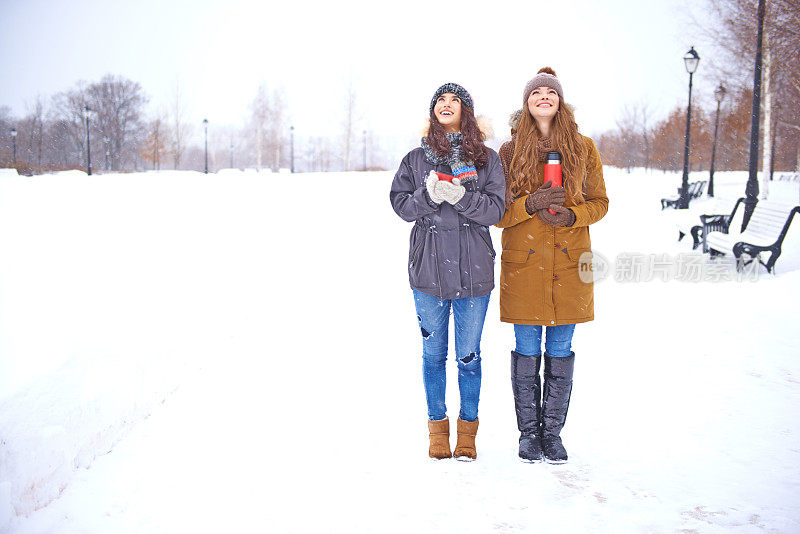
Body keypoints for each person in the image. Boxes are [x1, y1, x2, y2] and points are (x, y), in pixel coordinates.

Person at [497, 67, 608, 464]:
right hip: (525, 266)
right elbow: (498, 214)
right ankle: (528, 435)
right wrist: (531, 204)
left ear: (560, 101)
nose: (544, 97)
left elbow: (600, 203)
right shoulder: (509, 152)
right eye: (536, 93)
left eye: (550, 92)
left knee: (560, 351)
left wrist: (572, 216)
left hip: (569, 264)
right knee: (527, 351)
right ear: (526, 104)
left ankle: (552, 435)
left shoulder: (584, 147)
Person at [390, 83, 505, 460]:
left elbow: (495, 211)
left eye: (454, 100)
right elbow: (402, 205)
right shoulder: (414, 159)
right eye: (441, 99)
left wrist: (462, 197)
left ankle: (468, 434)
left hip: (474, 272)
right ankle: (437, 431)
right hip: (428, 273)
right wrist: (428, 196)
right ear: (432, 110)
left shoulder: (486, 158)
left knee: (468, 357)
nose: (446, 104)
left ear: (466, 111)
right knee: (433, 356)